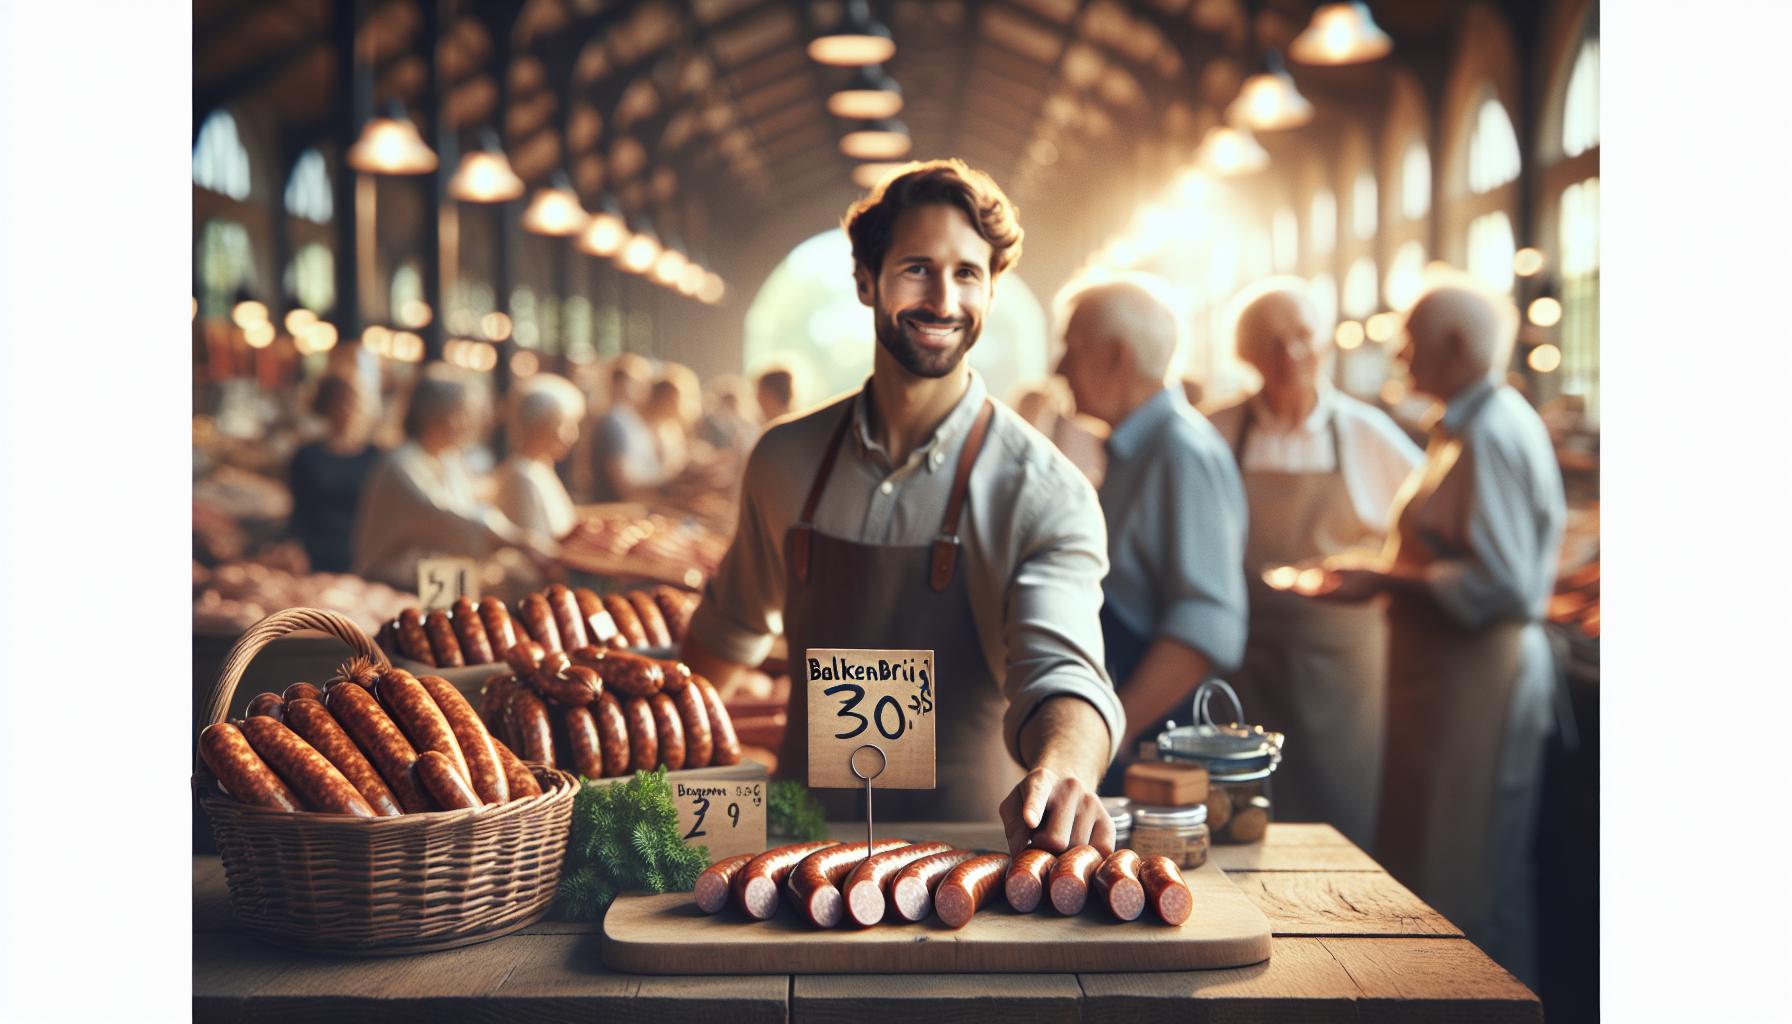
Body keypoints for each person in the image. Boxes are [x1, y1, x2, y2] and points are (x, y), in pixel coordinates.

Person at [679, 159, 1124, 854]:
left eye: (968, 274)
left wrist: (1066, 767)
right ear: (866, 281)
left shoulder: (1042, 490)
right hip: (792, 854)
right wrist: (645, 776)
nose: (944, 299)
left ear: (992, 289)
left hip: (968, 860)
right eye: (917, 268)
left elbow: (1062, 672)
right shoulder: (784, 461)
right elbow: (727, 634)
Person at [1309, 278, 1565, 986]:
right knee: (1446, 860)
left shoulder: (1493, 432)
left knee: (1475, 871)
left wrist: (1384, 579)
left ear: (1455, 345)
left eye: (1410, 342)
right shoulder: (1460, 424)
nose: (1397, 356)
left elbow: (1504, 585)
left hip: (1485, 676)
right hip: (1451, 678)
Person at [1204, 280, 1422, 848]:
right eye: (1271, 342)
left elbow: (1426, 531)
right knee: (1245, 818)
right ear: (1246, 353)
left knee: (1340, 816)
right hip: (1242, 660)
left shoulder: (1365, 433)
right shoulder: (1216, 431)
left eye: (1302, 337)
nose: (1290, 356)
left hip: (1343, 670)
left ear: (1325, 342)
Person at [1053, 274, 1247, 789]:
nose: (1058, 369)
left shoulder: (1182, 452)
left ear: (1116, 356)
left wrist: (1107, 737)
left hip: (1155, 742)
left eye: (1069, 350)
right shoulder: (1140, 449)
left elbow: (1206, 625)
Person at [351, 365, 551, 589]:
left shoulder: (450, 460)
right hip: (391, 588)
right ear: (437, 414)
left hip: (437, 582)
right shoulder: (400, 465)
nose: (473, 423)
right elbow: (449, 519)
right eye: (465, 413)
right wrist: (521, 541)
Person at [288, 373, 380, 573]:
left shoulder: (377, 456)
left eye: (353, 402)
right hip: (317, 552)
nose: (347, 410)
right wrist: (296, 548)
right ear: (326, 406)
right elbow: (299, 510)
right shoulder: (307, 455)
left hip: (363, 554)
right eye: (340, 402)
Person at [493, 373, 586, 548]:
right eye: (565, 425)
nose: (573, 435)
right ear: (538, 424)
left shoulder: (540, 469)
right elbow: (538, 549)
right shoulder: (520, 477)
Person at [590, 353, 671, 502]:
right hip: (621, 509)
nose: (646, 387)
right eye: (639, 381)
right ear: (620, 383)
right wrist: (671, 481)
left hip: (643, 505)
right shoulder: (613, 423)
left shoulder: (633, 420)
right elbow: (625, 485)